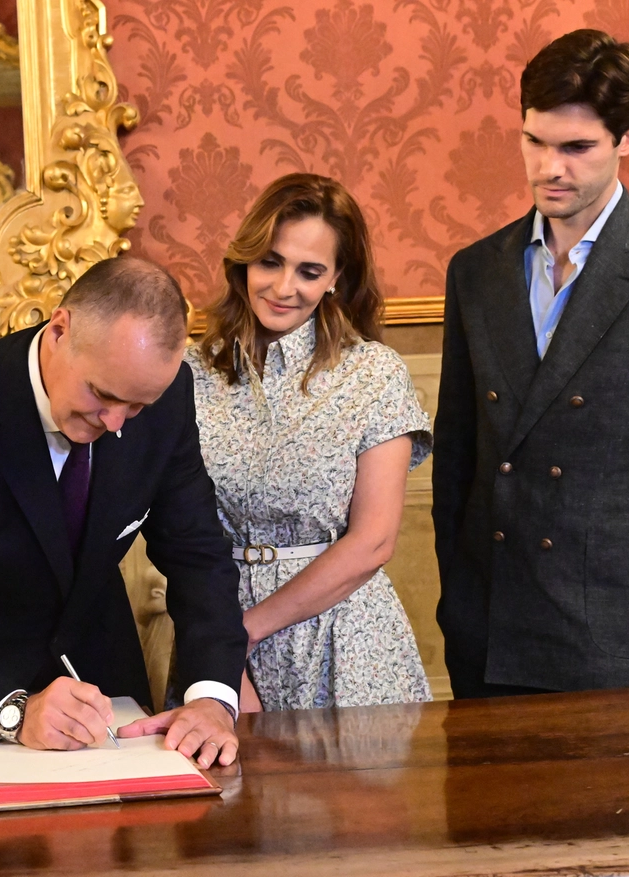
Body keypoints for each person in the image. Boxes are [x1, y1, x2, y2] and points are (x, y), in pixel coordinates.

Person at [431, 30, 629, 706]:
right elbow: (457, 458)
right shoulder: (476, 271)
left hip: (620, 640)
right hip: (489, 633)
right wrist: (457, 601)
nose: (551, 167)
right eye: (535, 141)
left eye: (576, 148)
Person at [0, 257, 247, 768]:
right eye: (101, 394)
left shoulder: (165, 401)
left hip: (98, 696)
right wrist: (11, 712)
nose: (116, 422)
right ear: (61, 330)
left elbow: (198, 556)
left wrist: (212, 698)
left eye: (136, 406)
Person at [189, 174, 433, 712]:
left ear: (336, 279)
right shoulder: (191, 373)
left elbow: (372, 542)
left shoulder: (372, 374)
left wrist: (240, 634)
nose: (283, 287)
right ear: (244, 261)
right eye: (270, 262)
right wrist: (216, 650)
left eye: (310, 271)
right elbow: (176, 533)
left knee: (354, 796)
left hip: (344, 642)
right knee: (230, 795)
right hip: (217, 630)